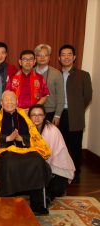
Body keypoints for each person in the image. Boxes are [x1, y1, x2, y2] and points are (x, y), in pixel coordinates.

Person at [0, 91, 51, 215]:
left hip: (24, 149)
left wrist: (21, 139)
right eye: (6, 99)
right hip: (5, 151)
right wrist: (7, 139)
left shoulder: (24, 117)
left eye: (12, 99)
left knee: (37, 159)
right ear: (1, 103)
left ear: (17, 102)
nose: (9, 102)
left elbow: (34, 137)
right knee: (10, 162)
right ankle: (8, 204)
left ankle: (37, 204)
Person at [58, 44, 92, 183]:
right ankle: (61, 172)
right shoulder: (56, 75)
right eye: (63, 55)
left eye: (69, 54)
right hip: (59, 115)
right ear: (59, 58)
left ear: (74, 57)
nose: (66, 57)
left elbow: (87, 96)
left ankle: (76, 172)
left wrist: (76, 109)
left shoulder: (83, 75)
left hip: (75, 116)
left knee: (75, 146)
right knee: (60, 145)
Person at [29, 104, 75, 202]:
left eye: (40, 115)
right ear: (29, 117)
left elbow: (48, 154)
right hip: (41, 166)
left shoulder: (51, 130)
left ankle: (48, 195)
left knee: (57, 189)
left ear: (44, 116)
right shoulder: (29, 129)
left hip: (58, 167)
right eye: (33, 115)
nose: (37, 117)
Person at [34, 44, 65, 126]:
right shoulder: (30, 72)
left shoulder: (56, 74)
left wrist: (57, 115)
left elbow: (61, 97)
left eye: (45, 55)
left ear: (49, 57)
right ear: (35, 57)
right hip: (33, 112)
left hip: (50, 113)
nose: (42, 57)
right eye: (39, 55)